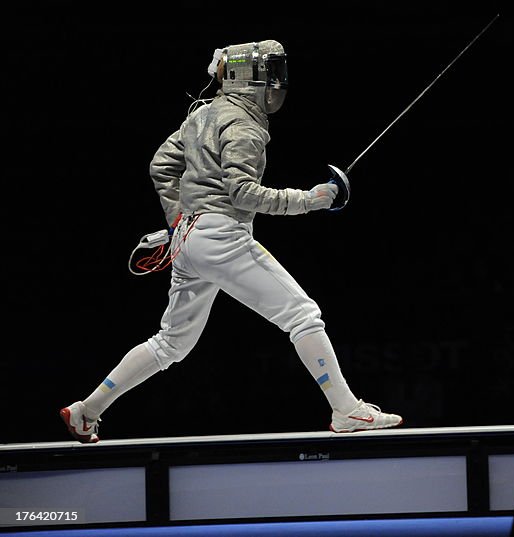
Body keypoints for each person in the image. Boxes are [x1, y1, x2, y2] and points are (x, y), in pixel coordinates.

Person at [60, 40, 402, 443]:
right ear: (250, 78)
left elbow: (161, 167)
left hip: (189, 241)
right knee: (302, 315)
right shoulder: (245, 127)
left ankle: (87, 410)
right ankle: (346, 410)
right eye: (271, 73)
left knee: (171, 342)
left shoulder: (202, 115)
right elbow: (242, 193)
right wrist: (308, 200)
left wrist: (177, 223)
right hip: (221, 236)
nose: (278, 82)